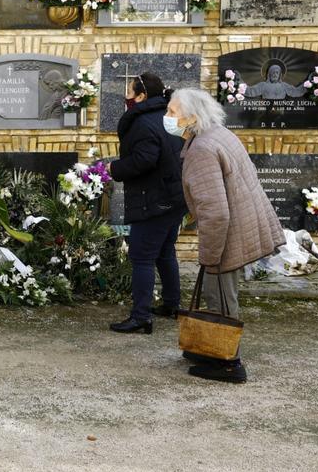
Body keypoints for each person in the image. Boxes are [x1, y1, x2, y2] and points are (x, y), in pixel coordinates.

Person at [165, 89, 286, 384]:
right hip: (241, 224)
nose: (167, 117)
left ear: (191, 118)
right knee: (218, 290)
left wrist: (209, 254)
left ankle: (228, 363)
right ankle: (209, 348)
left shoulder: (202, 150)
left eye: (172, 112)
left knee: (219, 293)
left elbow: (215, 212)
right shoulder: (217, 134)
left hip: (228, 232)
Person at [107, 73, 187, 334]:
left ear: (141, 96)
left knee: (141, 257)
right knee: (165, 252)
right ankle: (171, 304)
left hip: (153, 200)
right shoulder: (167, 117)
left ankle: (141, 316)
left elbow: (144, 159)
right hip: (173, 198)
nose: (126, 97)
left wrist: (114, 168)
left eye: (130, 92)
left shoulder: (143, 122)